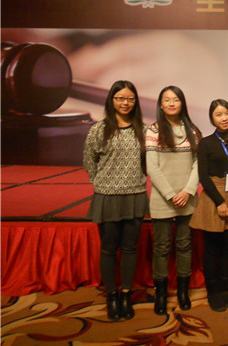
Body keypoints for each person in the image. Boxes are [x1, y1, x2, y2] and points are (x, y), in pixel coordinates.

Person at [83, 80, 148, 321]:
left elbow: (147, 163)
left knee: (130, 248)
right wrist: (101, 182)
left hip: (135, 194)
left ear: (135, 102)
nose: (125, 103)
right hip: (107, 196)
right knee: (109, 249)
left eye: (130, 99)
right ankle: (112, 295)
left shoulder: (143, 130)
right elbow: (88, 159)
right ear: (111, 100)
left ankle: (126, 295)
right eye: (120, 98)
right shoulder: (98, 129)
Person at [189, 99, 228, 312]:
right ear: (212, 119)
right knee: (212, 248)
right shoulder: (206, 143)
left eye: (227, 113)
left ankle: (225, 289)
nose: (224, 118)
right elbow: (203, 176)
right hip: (213, 198)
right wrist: (220, 202)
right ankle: (213, 291)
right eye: (218, 115)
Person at [146, 86, 201, 315]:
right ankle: (161, 294)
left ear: (182, 103)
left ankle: (182, 292)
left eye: (175, 99)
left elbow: (198, 164)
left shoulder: (192, 130)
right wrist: (170, 194)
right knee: (161, 247)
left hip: (187, 198)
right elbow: (152, 167)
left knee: (184, 245)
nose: (171, 103)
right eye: (167, 100)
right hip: (163, 199)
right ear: (160, 104)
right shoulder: (153, 131)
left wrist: (187, 191)